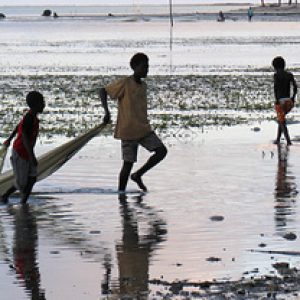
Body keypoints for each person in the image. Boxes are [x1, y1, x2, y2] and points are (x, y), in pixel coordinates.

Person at [99, 53, 167, 193]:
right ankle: (121, 194)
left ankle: (138, 175)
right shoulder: (125, 83)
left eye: (147, 67)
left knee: (161, 151)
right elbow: (103, 91)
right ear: (135, 67)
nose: (147, 70)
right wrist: (107, 112)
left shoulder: (143, 86)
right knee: (127, 164)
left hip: (143, 129)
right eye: (144, 67)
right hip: (128, 130)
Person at [1, 91, 45, 204]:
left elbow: (18, 126)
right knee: (22, 182)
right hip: (20, 152)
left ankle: (23, 202)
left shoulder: (32, 117)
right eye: (42, 103)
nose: (44, 105)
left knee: (32, 178)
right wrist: (31, 156)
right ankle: (5, 196)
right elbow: (24, 137)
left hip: (27, 152)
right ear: (35, 105)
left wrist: (9, 139)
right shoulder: (29, 118)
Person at [272, 56, 297, 145]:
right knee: (280, 119)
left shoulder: (276, 76)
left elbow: (275, 88)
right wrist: (293, 98)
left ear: (275, 67)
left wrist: (276, 100)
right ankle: (278, 139)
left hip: (280, 102)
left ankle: (289, 141)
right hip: (289, 102)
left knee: (282, 122)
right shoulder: (289, 75)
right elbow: (295, 87)